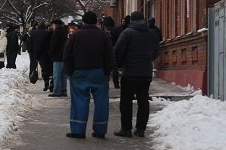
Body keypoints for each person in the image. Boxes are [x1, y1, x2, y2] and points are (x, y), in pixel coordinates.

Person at [63, 11, 113, 139]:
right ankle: (100, 130)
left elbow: (67, 55)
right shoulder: (103, 35)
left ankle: (78, 130)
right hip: (99, 72)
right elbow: (109, 55)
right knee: (101, 102)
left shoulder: (75, 36)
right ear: (96, 21)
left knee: (79, 101)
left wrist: (69, 71)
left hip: (79, 72)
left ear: (83, 22)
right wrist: (107, 72)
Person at [113, 11, 160, 137]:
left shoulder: (127, 33)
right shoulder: (151, 33)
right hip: (146, 72)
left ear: (132, 21)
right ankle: (141, 129)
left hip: (129, 72)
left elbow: (118, 51)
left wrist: (118, 65)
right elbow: (155, 52)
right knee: (143, 100)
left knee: (126, 101)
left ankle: (126, 129)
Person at [48, 19, 68, 97]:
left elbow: (54, 44)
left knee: (57, 74)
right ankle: (63, 90)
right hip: (63, 56)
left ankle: (56, 91)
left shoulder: (56, 32)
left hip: (57, 56)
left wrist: (50, 53)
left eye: (53, 24)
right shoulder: (64, 31)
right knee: (63, 75)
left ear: (55, 25)